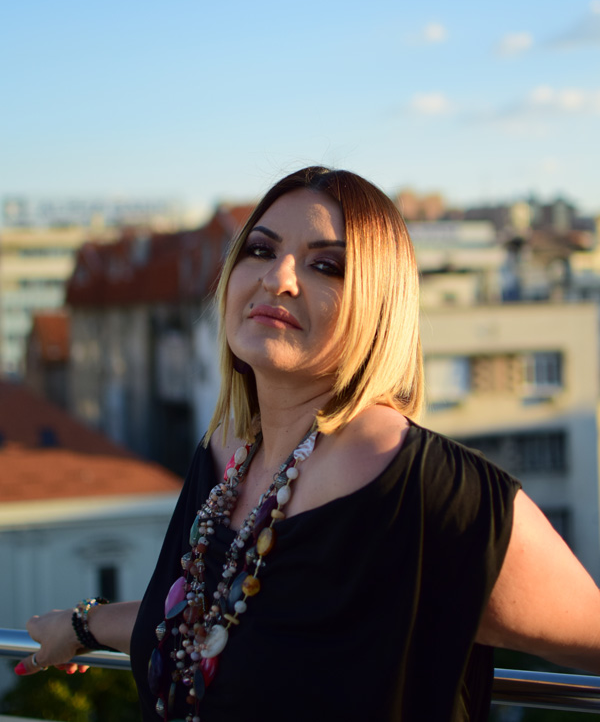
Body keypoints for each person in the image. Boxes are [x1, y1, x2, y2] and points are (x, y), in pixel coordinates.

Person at [16, 167, 600, 721]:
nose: (278, 279)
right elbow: (212, 624)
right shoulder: (225, 458)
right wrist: (86, 624)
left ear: (379, 306)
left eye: (327, 266)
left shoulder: (429, 492)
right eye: (260, 250)